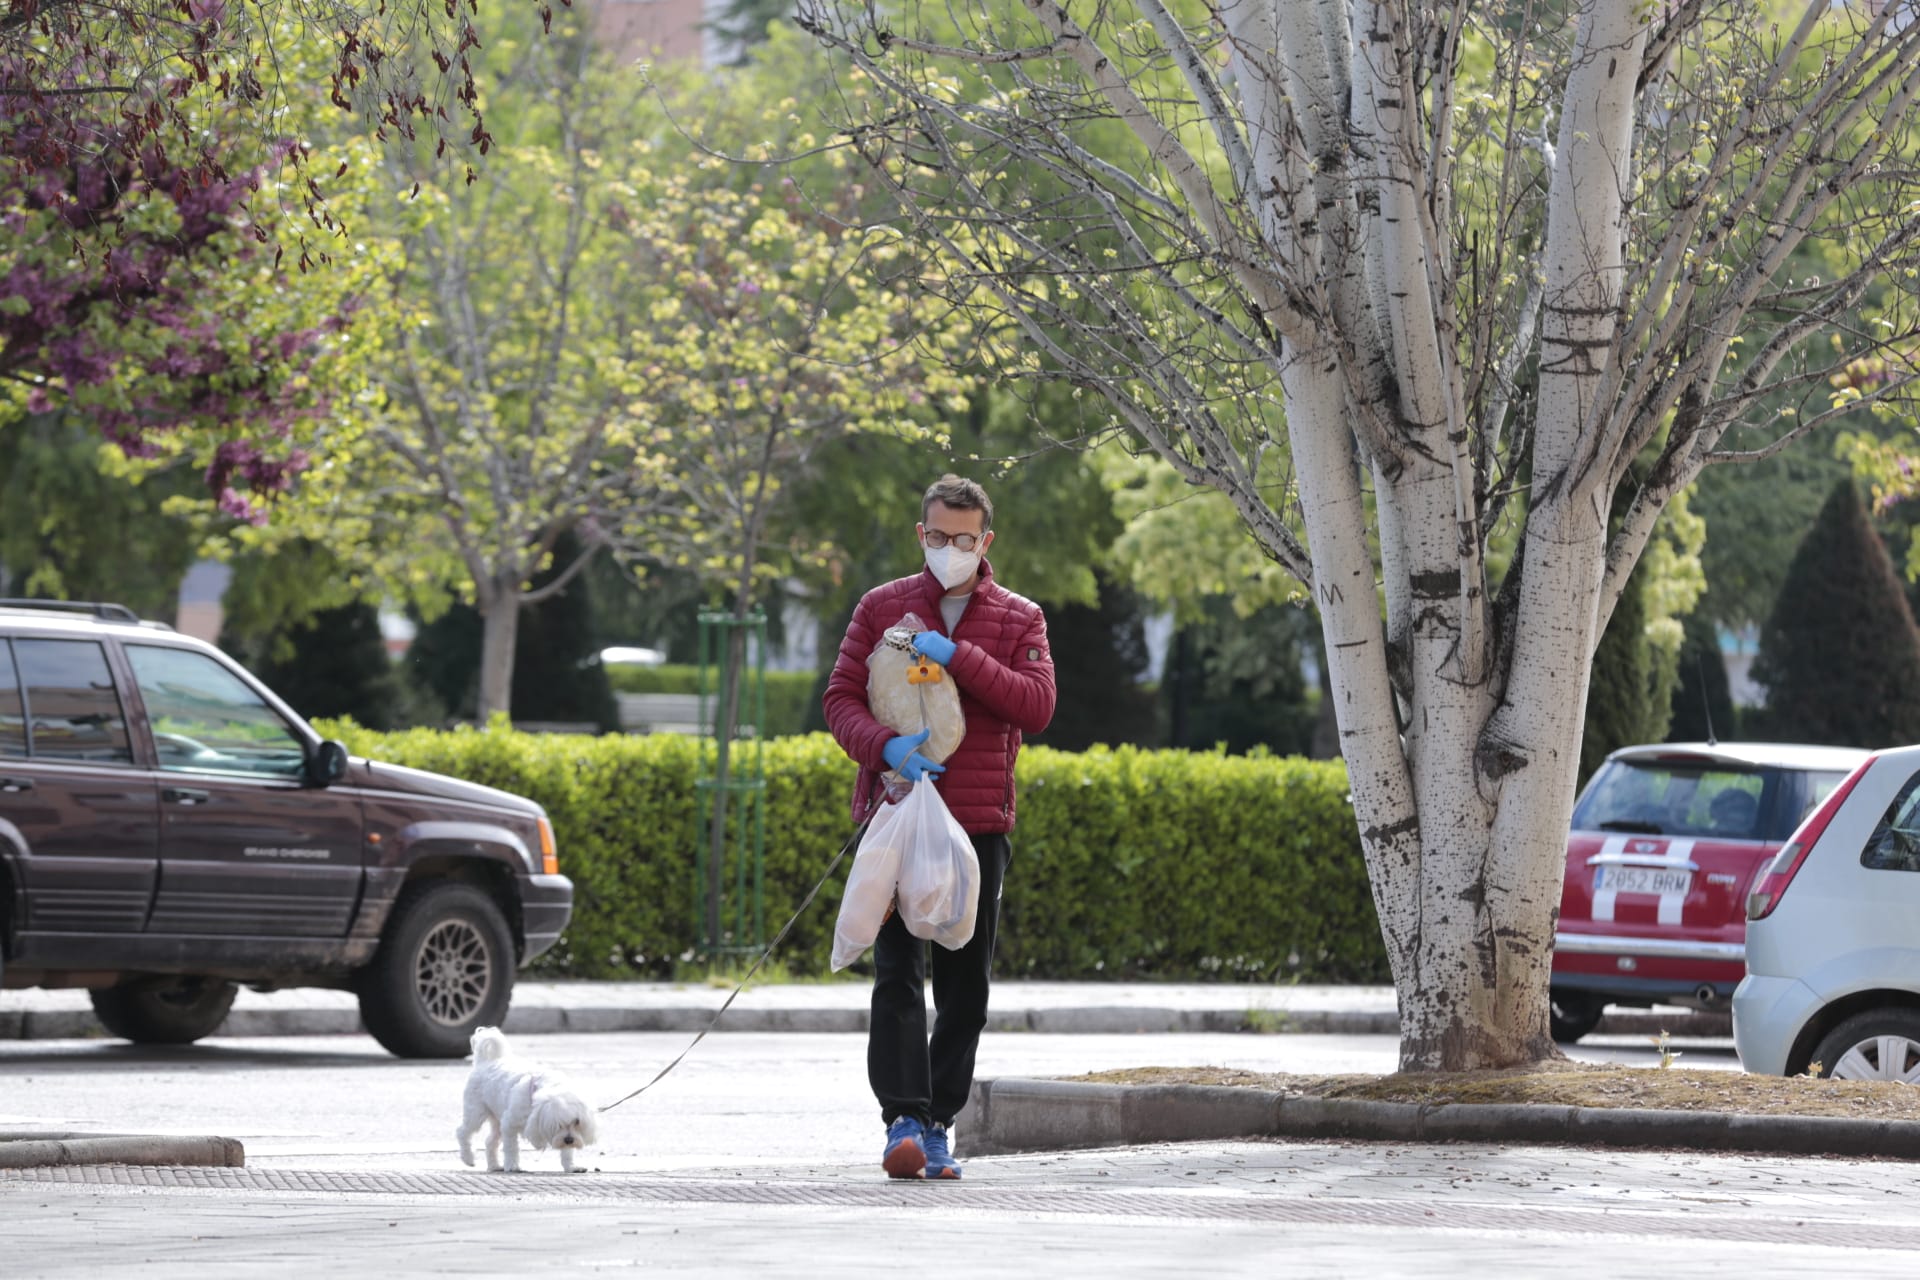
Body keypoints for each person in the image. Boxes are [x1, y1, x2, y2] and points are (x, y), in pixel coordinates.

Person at [823, 474, 1055, 1180]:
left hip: (976, 824)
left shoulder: (1019, 618)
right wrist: (884, 748)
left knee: (964, 983)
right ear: (919, 534)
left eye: (962, 538)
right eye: (935, 536)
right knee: (896, 971)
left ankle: (938, 1125)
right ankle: (901, 1117)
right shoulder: (881, 607)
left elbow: (1037, 705)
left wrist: (960, 657)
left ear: (984, 541)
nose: (947, 549)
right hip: (895, 816)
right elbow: (839, 699)